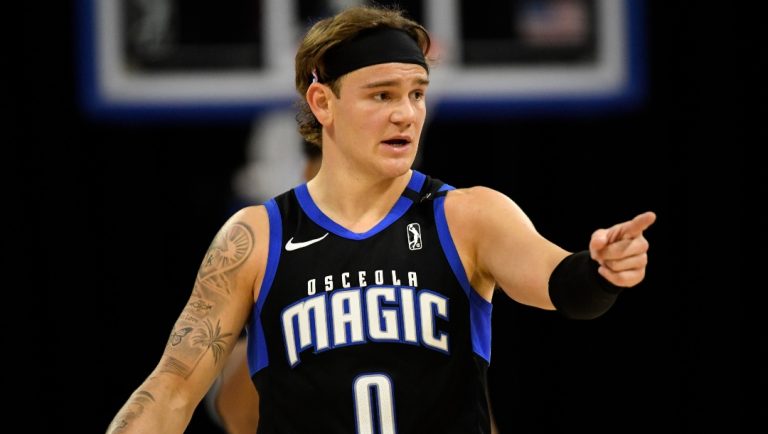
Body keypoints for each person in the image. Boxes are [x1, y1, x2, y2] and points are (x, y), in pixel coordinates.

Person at [106, 5, 655, 434]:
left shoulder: (468, 215)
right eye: (382, 95)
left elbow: (565, 286)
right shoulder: (257, 237)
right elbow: (174, 389)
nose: (406, 113)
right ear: (323, 103)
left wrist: (602, 269)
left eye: (417, 94)